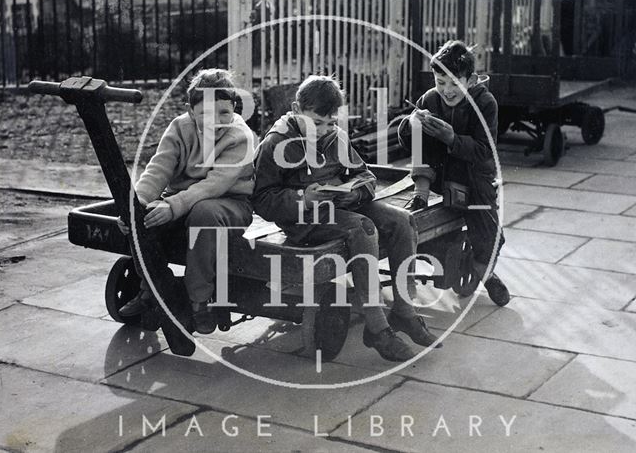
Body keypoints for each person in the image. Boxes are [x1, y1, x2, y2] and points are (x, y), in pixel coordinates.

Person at [253, 75, 442, 362]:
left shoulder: (335, 136)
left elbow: (365, 175)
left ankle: (404, 311)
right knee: (362, 228)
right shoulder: (277, 143)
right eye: (316, 122)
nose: (324, 130)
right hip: (306, 219)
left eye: (330, 122)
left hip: (340, 204)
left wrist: (353, 193)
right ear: (296, 109)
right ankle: (377, 328)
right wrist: (304, 198)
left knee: (403, 220)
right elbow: (262, 199)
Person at [117, 68, 256, 332]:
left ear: (234, 108)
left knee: (203, 212)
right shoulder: (179, 128)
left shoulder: (240, 137)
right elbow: (158, 169)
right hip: (182, 199)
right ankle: (152, 288)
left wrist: (173, 206)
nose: (216, 121)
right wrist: (136, 206)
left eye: (224, 112)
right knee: (143, 216)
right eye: (205, 114)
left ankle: (199, 301)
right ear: (191, 112)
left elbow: (213, 186)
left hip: (229, 204)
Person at [397, 40, 510, 306]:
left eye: (453, 83)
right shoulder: (430, 99)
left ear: (470, 80)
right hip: (438, 177)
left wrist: (452, 139)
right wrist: (410, 124)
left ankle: (486, 274)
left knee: (490, 237)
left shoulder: (485, 103)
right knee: (421, 132)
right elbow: (407, 143)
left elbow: (485, 151)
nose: (446, 91)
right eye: (440, 82)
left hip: (473, 178)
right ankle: (420, 194)